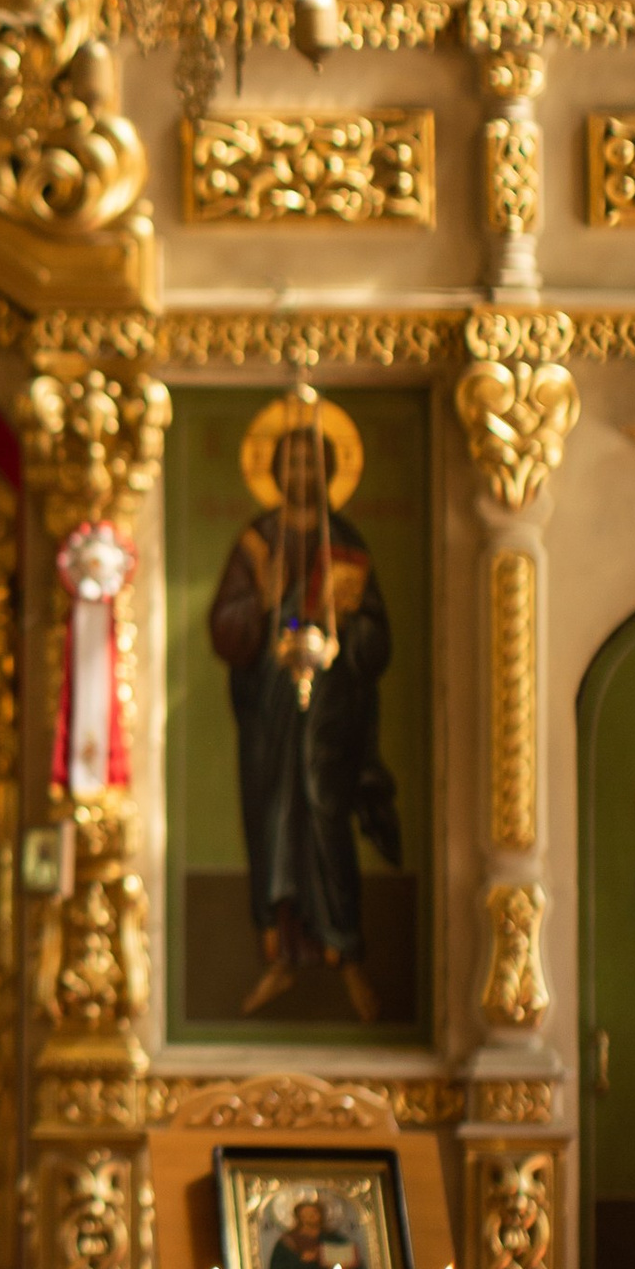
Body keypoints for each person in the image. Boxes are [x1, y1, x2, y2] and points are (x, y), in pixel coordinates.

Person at [209, 408, 398, 1020]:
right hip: (268, 711)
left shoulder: (347, 543)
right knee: (272, 820)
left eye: (313, 462)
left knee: (324, 815)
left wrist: (345, 630)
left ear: (330, 470)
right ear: (274, 470)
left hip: (330, 714)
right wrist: (262, 600)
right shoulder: (256, 542)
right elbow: (226, 626)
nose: (301, 471)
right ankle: (280, 956)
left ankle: (345, 954)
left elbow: (378, 638)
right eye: (290, 461)